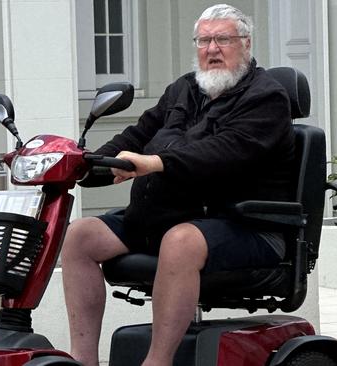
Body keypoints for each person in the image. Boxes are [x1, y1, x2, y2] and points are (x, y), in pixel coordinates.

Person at [61, 4, 295, 366]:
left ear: (245, 45)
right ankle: (82, 360)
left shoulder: (266, 97)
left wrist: (155, 164)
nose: (212, 49)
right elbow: (136, 136)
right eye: (204, 40)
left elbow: (223, 153)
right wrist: (82, 165)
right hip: (165, 216)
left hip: (243, 225)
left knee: (181, 240)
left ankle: (158, 361)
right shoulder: (184, 89)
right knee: (80, 235)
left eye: (223, 39)